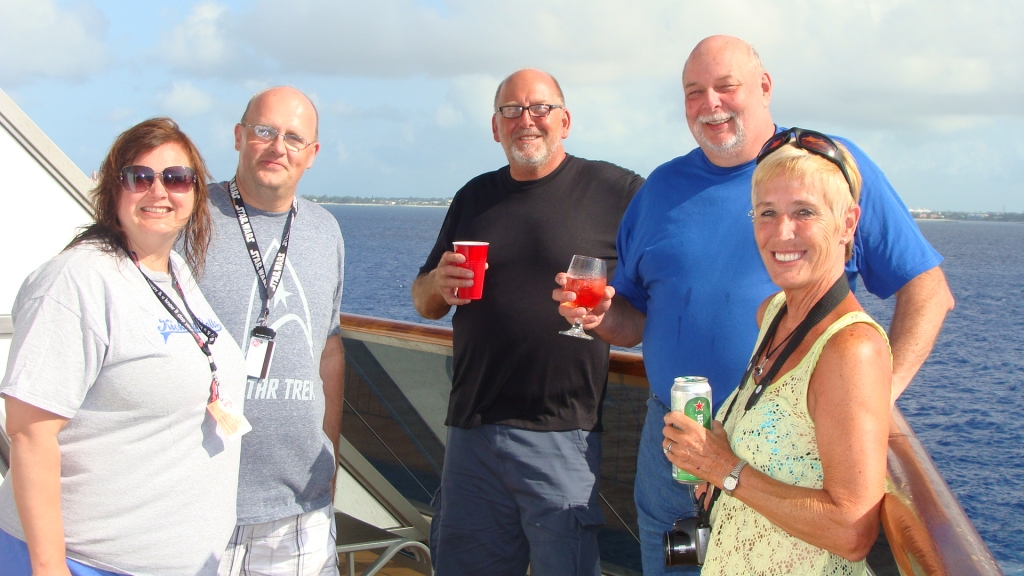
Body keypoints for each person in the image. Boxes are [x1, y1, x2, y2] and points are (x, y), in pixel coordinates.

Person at [554, 36, 955, 574]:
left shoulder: (827, 170)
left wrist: (878, 397)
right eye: (694, 92)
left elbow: (928, 290)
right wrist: (602, 316)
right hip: (673, 440)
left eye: (726, 86)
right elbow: (634, 321)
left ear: (764, 88)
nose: (710, 104)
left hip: (785, 456)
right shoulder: (661, 189)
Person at [412, 68, 643, 576]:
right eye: (511, 111)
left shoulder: (617, 190)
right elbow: (424, 301)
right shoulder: (474, 197)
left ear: (565, 119)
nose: (526, 121)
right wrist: (436, 285)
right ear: (495, 127)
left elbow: (651, 302)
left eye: (540, 108)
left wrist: (606, 314)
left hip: (563, 435)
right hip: (472, 432)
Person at [0, 118, 247, 575]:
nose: (159, 191)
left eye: (176, 178)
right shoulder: (76, 280)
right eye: (140, 177)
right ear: (114, 189)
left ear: (195, 193)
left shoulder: (173, 272)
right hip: (86, 562)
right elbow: (29, 434)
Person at [663, 132, 891, 574]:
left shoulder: (852, 350)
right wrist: (717, 458)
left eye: (804, 212)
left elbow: (852, 530)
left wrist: (726, 469)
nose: (781, 232)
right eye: (767, 213)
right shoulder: (775, 314)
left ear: (847, 223)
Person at [196, 87, 345, 576]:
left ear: (312, 155)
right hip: (198, 495)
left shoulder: (326, 232)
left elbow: (329, 351)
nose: (278, 146)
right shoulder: (190, 219)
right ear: (239, 136)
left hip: (298, 508)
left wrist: (332, 457)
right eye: (264, 131)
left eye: (294, 138)